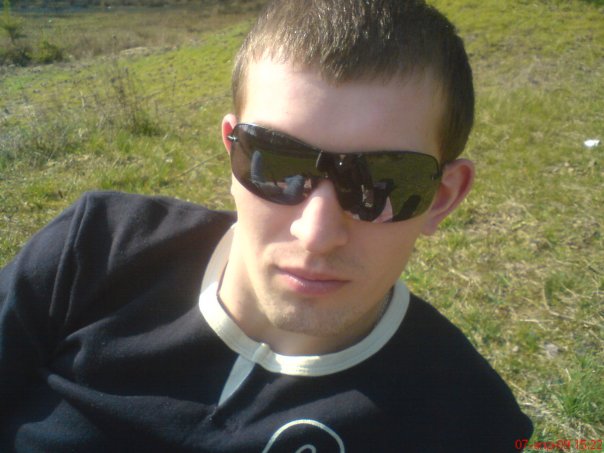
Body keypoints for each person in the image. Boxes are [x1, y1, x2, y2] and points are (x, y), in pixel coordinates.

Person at [0, 0, 533, 451]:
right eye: (277, 163)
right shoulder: (93, 250)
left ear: (442, 198)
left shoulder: (470, 421)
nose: (316, 234)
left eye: (383, 183)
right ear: (232, 151)